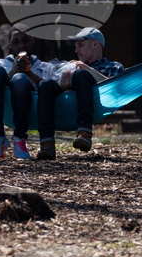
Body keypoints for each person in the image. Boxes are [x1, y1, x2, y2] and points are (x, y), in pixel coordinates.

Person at [36, 27, 124, 160]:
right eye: (76, 47)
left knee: (81, 74)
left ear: (95, 44)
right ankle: (46, 143)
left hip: (92, 100)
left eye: (80, 45)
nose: (76, 51)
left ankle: (85, 132)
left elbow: (114, 88)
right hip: (66, 103)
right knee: (45, 84)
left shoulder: (113, 66)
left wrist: (86, 69)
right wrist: (63, 80)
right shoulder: (74, 66)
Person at [0, 25, 59, 159]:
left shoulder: (46, 67)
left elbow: (50, 91)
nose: (21, 45)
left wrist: (28, 73)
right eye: (16, 42)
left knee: (20, 79)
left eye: (25, 40)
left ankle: (19, 139)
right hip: (5, 106)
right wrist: (13, 71)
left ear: (32, 40)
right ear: (9, 44)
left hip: (32, 108)